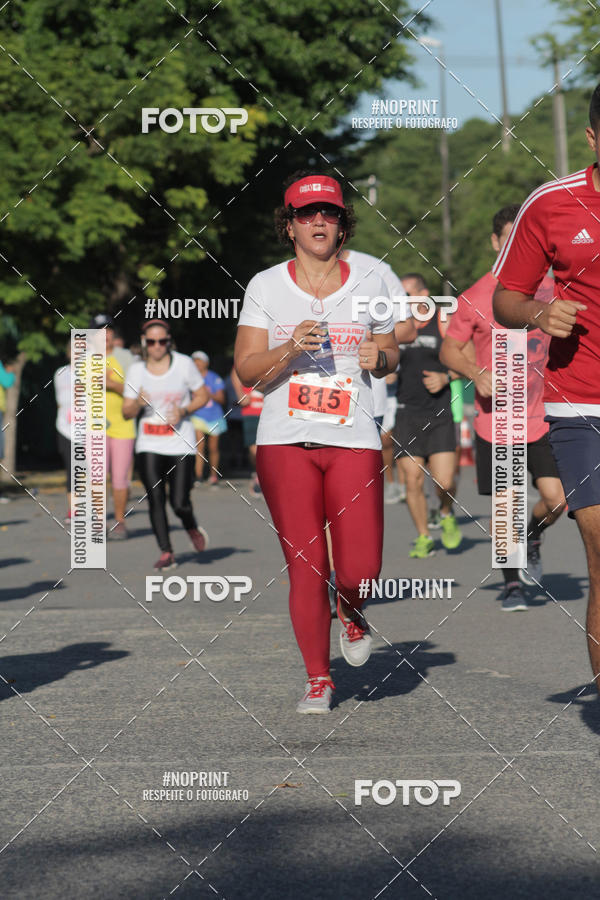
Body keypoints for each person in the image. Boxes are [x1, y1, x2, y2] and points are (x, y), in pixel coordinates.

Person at [235, 171, 400, 714]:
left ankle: (351, 609)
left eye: (328, 212)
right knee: (305, 566)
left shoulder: (373, 278)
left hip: (353, 438)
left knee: (360, 569)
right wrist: (287, 347)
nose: (319, 222)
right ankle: (316, 678)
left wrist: (384, 356)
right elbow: (247, 371)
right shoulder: (265, 286)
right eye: (306, 214)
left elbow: (390, 347)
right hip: (285, 443)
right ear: (289, 226)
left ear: (342, 222)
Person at [491, 88, 600, 655]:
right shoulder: (551, 204)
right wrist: (539, 312)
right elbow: (504, 299)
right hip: (582, 405)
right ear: (591, 138)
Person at [441, 205, 566, 610]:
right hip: (498, 423)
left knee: (557, 500)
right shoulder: (476, 295)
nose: (517, 247)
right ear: (496, 242)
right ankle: (512, 583)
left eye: (524, 240)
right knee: (505, 506)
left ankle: (532, 535)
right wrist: (475, 372)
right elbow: (449, 350)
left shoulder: (553, 288)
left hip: (546, 417)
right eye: (509, 239)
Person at [122, 319, 210, 570]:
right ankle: (166, 552)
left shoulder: (184, 364)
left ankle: (191, 525)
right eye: (152, 342)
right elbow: (126, 412)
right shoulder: (136, 371)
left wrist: (184, 410)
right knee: (155, 497)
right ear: (144, 343)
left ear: (169, 341)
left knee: (180, 502)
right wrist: (137, 403)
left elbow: (202, 395)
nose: (157, 346)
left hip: (180, 442)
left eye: (162, 341)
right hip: (149, 442)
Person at [394, 273, 463, 557]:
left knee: (444, 482)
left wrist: (447, 377)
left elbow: (468, 362)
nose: (402, 302)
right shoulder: (396, 326)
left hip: (439, 412)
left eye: (407, 295)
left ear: (423, 295)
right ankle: (423, 536)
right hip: (407, 412)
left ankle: (446, 512)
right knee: (412, 479)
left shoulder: (443, 322)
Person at [340, 249, 416, 503]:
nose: (320, 223)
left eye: (330, 214)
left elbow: (407, 328)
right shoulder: (283, 276)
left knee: (354, 496)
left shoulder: (376, 270)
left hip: (363, 401)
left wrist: (361, 335)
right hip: (306, 403)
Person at [90, 316, 137, 540]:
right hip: (95, 427)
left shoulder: (126, 357)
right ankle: (98, 522)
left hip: (123, 426)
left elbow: (135, 389)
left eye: (108, 330)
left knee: (119, 477)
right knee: (97, 477)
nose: (105, 335)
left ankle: (119, 520)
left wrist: (111, 384)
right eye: (100, 331)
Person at [189, 351, 227, 486]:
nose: (197, 363)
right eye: (194, 360)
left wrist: (207, 395)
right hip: (197, 416)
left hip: (214, 416)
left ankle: (213, 475)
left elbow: (222, 398)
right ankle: (198, 475)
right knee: (199, 446)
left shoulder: (214, 378)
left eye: (199, 360)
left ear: (206, 363)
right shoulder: (190, 378)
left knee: (213, 448)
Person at [230, 367, 264, 496]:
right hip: (251, 411)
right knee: (254, 448)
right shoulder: (251, 350)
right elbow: (236, 370)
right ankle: (258, 475)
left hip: (271, 409)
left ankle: (269, 475)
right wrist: (240, 394)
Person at [53, 344, 72, 523]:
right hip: (65, 428)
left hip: (89, 429)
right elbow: (62, 400)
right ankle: (73, 510)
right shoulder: (60, 373)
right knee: (71, 469)